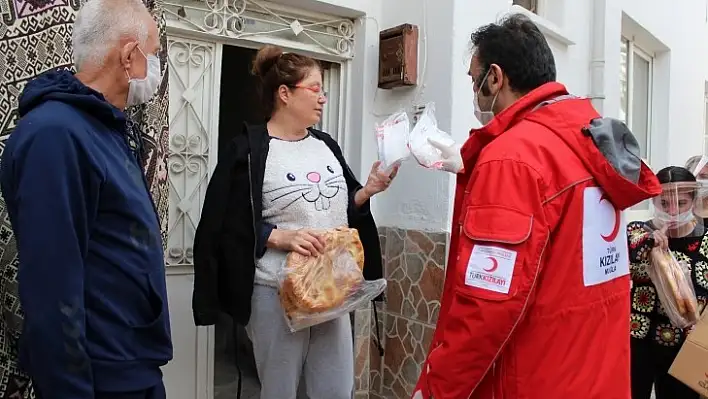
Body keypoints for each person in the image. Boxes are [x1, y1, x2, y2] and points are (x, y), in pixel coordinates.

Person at [412, 13, 661, 399]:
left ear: (495, 77)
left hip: (530, 378)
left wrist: (435, 390)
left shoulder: (513, 158)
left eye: (473, 80)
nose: (474, 93)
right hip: (594, 375)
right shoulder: (590, 141)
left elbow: (487, 308)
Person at [192, 44, 395, 399]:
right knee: (280, 391)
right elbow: (223, 224)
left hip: (332, 292)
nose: (322, 99)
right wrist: (276, 236)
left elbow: (341, 211)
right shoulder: (249, 150)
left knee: (335, 390)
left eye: (323, 90)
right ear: (284, 94)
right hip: (277, 294)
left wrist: (366, 193)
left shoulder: (325, 146)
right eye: (315, 89)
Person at [0, 0, 172, 397]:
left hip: (130, 365)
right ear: (130, 56)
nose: (158, 69)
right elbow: (51, 286)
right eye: (155, 55)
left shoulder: (105, 129)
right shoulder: (56, 135)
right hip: (99, 378)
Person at [627, 166, 703, 399]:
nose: (672, 211)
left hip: (687, 345)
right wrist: (651, 240)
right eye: (664, 204)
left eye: (681, 203)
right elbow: (629, 250)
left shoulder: (705, 239)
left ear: (693, 201)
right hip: (641, 339)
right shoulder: (640, 232)